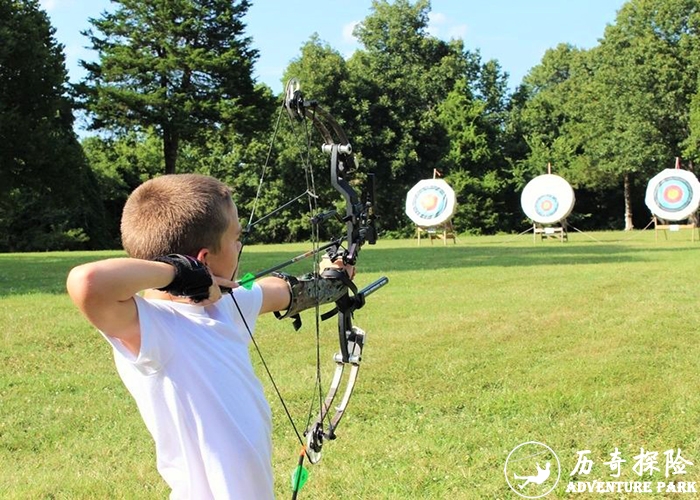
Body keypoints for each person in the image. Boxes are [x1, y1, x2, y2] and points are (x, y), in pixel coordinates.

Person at [66, 173, 352, 499]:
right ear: (203, 260)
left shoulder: (223, 305)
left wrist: (332, 278)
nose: (241, 246)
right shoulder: (154, 330)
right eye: (235, 238)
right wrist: (179, 272)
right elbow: (87, 282)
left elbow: (278, 291)